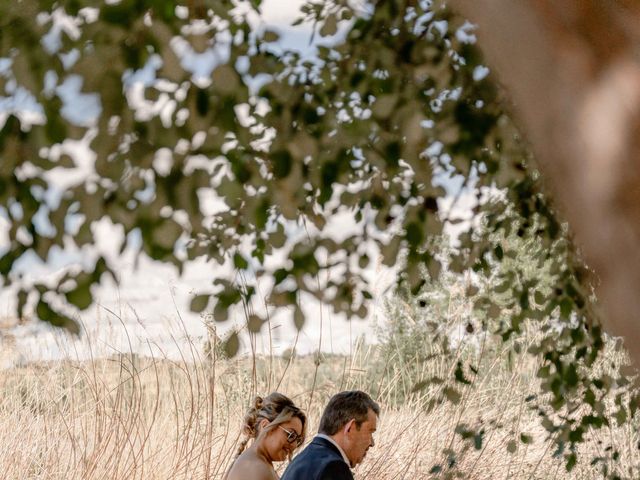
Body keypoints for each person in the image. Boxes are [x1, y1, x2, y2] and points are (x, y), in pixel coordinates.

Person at [281, 390, 379, 480]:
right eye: (370, 432)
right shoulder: (334, 469)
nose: (372, 443)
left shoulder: (301, 460)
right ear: (350, 428)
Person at [224, 392, 307, 480]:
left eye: (297, 440)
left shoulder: (253, 462)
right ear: (265, 426)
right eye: (291, 435)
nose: (294, 445)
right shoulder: (257, 469)